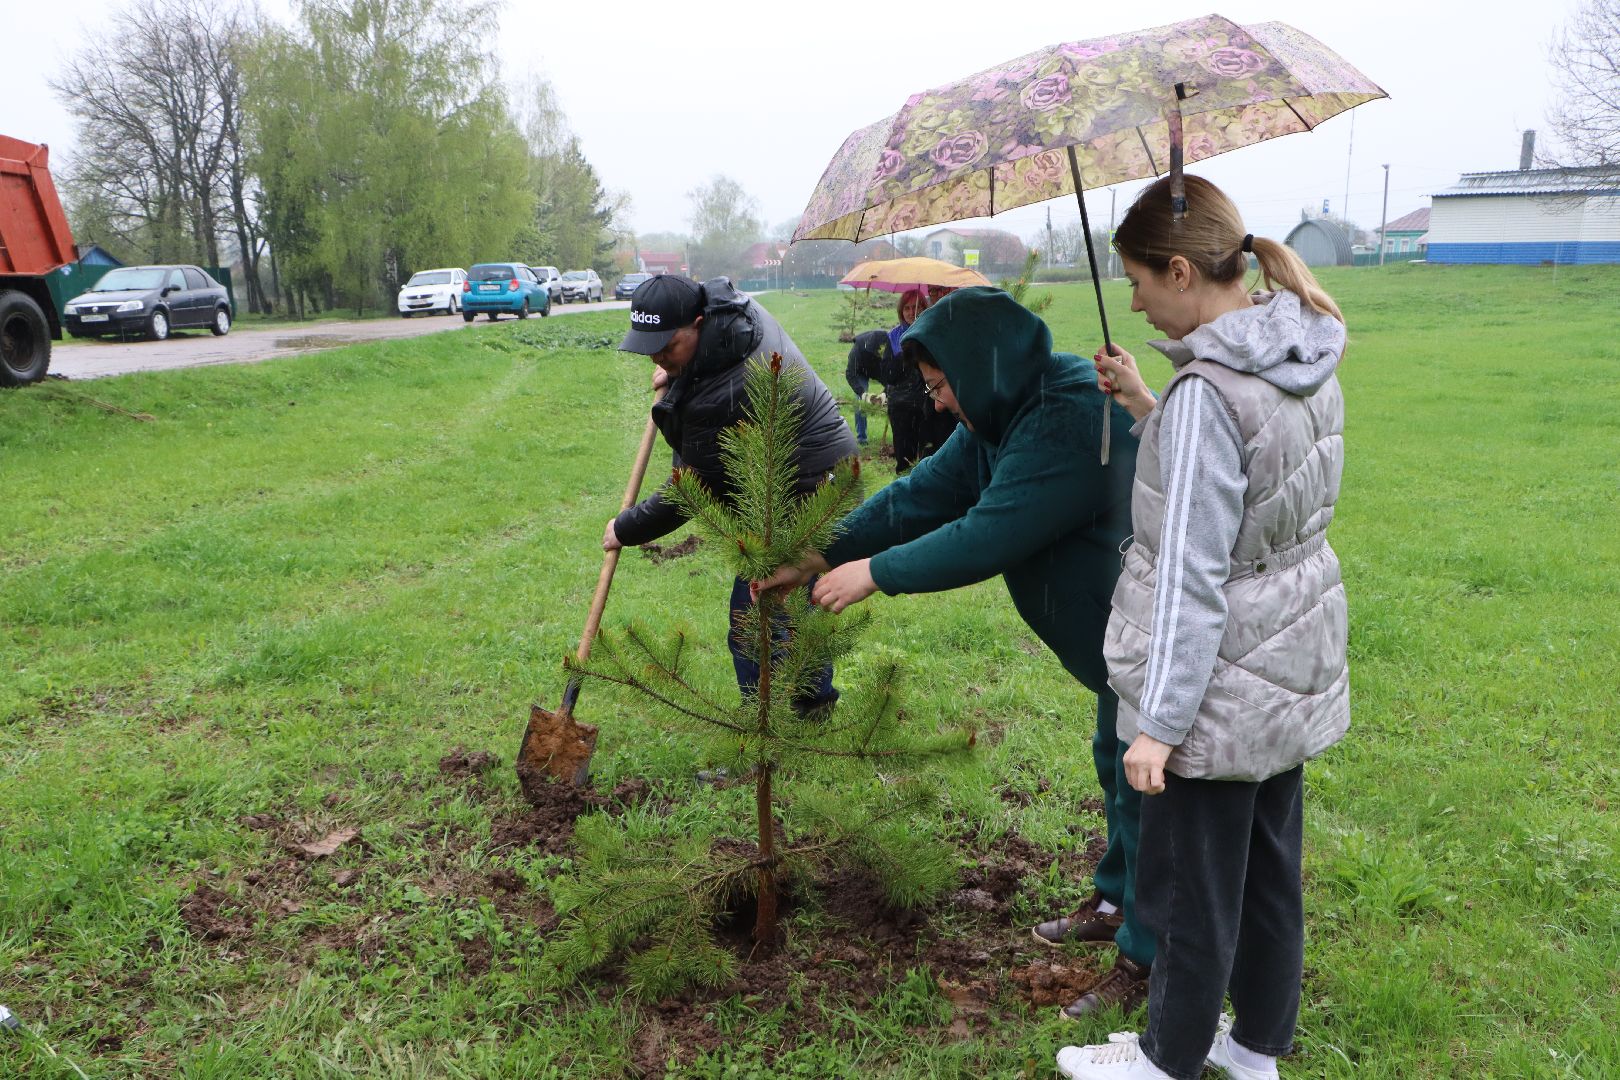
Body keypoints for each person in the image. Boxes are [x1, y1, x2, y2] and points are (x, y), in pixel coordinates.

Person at [755, 286, 1153, 1011]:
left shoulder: (1067, 417)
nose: (935, 404)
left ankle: (1151, 960)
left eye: (941, 386)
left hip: (1150, 644)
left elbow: (990, 532)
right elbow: (919, 496)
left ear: (982, 369)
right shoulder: (1006, 412)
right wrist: (819, 552)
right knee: (1116, 765)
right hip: (1114, 651)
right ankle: (1118, 902)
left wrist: (873, 573)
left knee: (1151, 790)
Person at [1055, 174, 1351, 1080]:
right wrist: (1152, 405)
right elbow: (1254, 487)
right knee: (1267, 871)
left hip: (1217, 680)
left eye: (1140, 281)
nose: (1135, 298)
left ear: (1182, 270)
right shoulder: (1298, 346)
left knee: (1187, 884)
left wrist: (1159, 723)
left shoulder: (1207, 399)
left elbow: (1190, 574)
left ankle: (1164, 1059)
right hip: (1290, 656)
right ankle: (1257, 1046)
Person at [606, 274, 857, 711]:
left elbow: (691, 488)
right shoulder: (734, 313)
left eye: (668, 346)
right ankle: (811, 707)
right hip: (819, 468)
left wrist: (625, 528)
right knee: (791, 612)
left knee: (755, 621)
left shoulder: (727, 390)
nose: (658, 356)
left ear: (699, 323)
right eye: (652, 346)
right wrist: (679, 368)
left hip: (803, 488)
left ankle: (768, 733)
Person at [845, 288, 957, 471]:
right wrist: (904, 353)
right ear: (901, 312)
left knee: (929, 458)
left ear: (924, 308)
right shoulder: (894, 337)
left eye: (917, 307)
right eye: (907, 308)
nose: (912, 312)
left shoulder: (933, 333)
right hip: (902, 408)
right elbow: (889, 375)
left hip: (929, 409)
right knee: (904, 461)